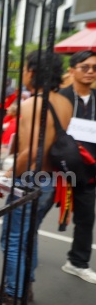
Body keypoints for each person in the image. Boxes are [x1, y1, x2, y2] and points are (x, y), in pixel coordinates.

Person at [0, 51, 72, 305]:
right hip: (52, 179)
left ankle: (14, 299)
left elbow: (31, 150)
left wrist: (9, 174)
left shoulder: (33, 104)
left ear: (32, 71)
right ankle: (22, 286)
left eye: (25, 69)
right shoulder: (64, 102)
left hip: (30, 179)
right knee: (28, 235)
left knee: (12, 240)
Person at [58, 50, 96, 284]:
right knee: (35, 216)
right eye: (85, 67)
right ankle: (23, 264)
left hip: (89, 171)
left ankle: (77, 262)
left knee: (86, 218)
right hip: (58, 170)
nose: (90, 71)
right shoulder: (60, 98)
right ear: (71, 70)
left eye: (94, 67)